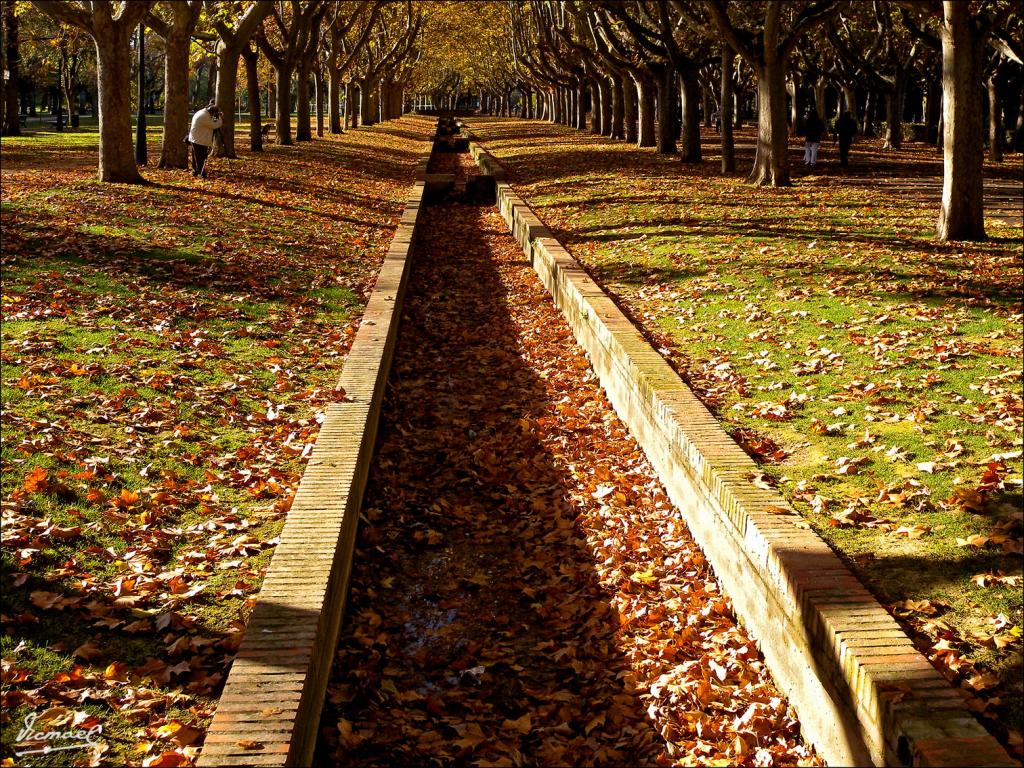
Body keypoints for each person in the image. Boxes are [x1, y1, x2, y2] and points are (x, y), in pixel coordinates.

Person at [188, 100, 222, 178]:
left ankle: (195, 171)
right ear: (212, 112)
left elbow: (210, 122)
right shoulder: (204, 116)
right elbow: (215, 125)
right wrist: (220, 118)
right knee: (201, 157)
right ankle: (201, 173)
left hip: (196, 138)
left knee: (196, 156)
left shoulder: (202, 112)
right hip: (199, 140)